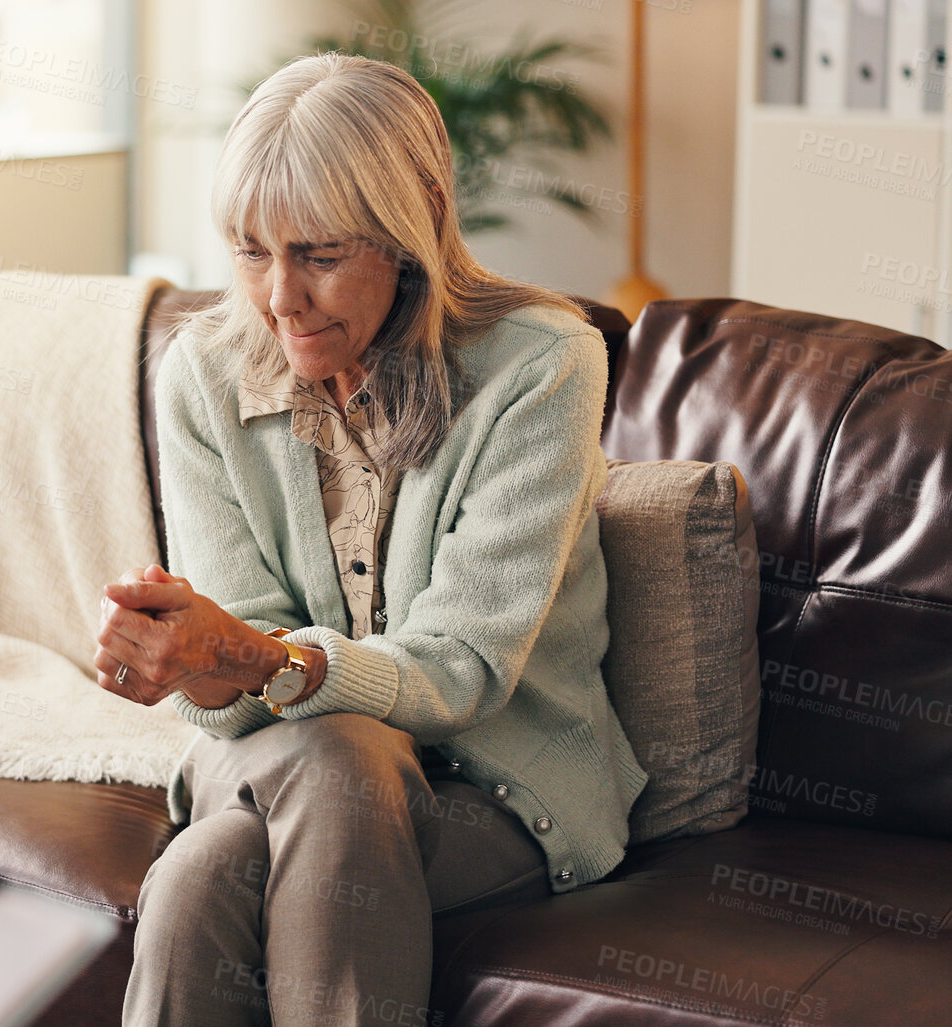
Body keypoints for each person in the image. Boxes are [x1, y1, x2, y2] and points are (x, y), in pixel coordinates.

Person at [95, 55, 648, 1026]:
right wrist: (191, 654)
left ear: (414, 223)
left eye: (318, 253)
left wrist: (248, 653)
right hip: (270, 763)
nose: (279, 298)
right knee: (340, 760)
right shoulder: (203, 378)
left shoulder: (542, 364)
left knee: (203, 874)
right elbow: (228, 701)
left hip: (494, 785)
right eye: (251, 252)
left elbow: (462, 668)